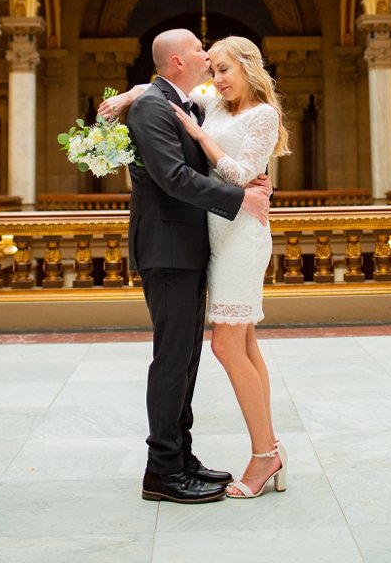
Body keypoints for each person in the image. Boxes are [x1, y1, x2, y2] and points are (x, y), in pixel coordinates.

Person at [98, 29, 272, 504]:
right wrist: (241, 198)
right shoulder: (155, 108)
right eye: (200, 50)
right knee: (173, 361)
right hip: (168, 250)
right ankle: (161, 471)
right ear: (178, 61)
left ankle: (181, 457)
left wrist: (132, 91)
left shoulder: (184, 102)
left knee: (186, 361)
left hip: (190, 249)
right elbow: (173, 178)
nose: (206, 54)